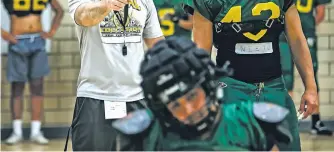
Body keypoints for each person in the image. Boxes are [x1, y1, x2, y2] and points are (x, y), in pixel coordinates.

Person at [181, 0, 318, 150]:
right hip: (230, 88)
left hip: (274, 87)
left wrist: (311, 87)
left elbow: (296, 40)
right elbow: (201, 53)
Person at [66, 0, 164, 151]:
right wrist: (106, 5)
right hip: (95, 97)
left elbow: (157, 46)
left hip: (137, 96)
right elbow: (84, 16)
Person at [112, 36, 293, 151]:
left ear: (207, 87)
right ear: (163, 110)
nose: (189, 110)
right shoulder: (148, 134)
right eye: (176, 105)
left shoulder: (250, 122)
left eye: (192, 96)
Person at [1, 0, 64, 144]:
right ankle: (17, 130)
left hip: (37, 40)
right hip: (17, 41)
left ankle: (36, 130)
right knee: (17, 88)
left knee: (38, 87)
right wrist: (4, 33)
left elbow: (59, 11)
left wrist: (51, 32)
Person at [279, 0, 332, 136]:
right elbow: (318, 14)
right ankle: (286, 122)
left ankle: (314, 122)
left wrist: (303, 30)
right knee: (286, 78)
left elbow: (320, 13)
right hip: (288, 36)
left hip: (296, 35)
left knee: (310, 76)